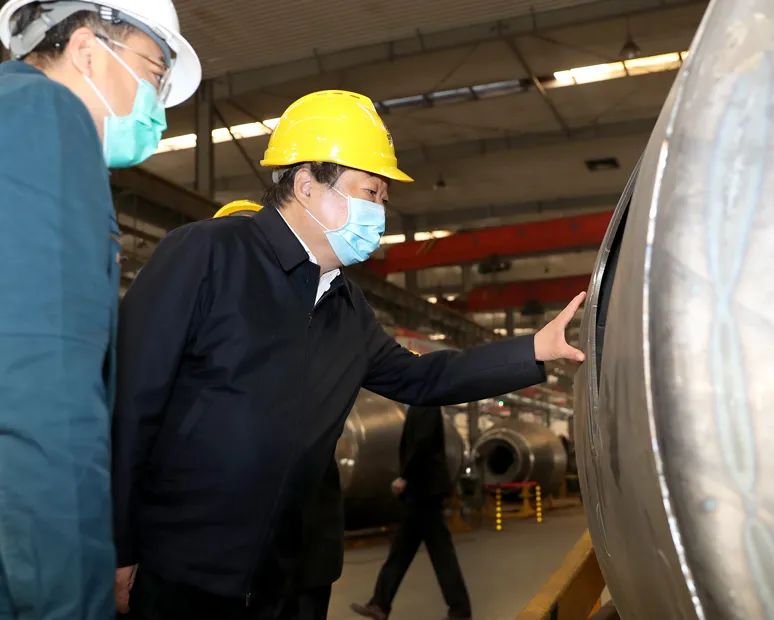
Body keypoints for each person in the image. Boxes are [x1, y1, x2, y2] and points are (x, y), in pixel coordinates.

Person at [111, 89, 587, 620]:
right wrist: (117, 544)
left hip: (288, 580)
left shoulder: (346, 306)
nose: (379, 212)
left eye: (383, 198)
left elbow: (422, 378)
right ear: (306, 185)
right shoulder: (208, 255)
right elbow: (130, 402)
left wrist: (534, 349)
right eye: (371, 192)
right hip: (181, 571)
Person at [0, 1, 199, 618]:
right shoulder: (48, 119)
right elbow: (44, 393)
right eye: (154, 73)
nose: (158, 107)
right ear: (86, 49)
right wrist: (72, 595)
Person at [351, 405, 471, 620]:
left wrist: (404, 476)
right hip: (422, 492)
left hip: (424, 491)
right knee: (405, 552)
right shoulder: (422, 403)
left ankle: (460, 609)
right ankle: (381, 603)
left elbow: (421, 444)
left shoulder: (425, 403)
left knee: (435, 553)